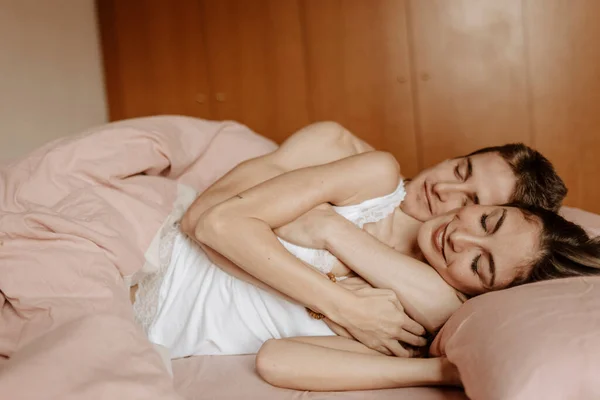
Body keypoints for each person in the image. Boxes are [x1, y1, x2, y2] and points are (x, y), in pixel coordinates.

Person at [129, 122, 575, 358]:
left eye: (474, 199)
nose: (445, 192)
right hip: (149, 267)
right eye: (460, 170)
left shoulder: (434, 283)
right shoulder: (357, 162)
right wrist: (339, 303)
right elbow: (204, 221)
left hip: (168, 329)